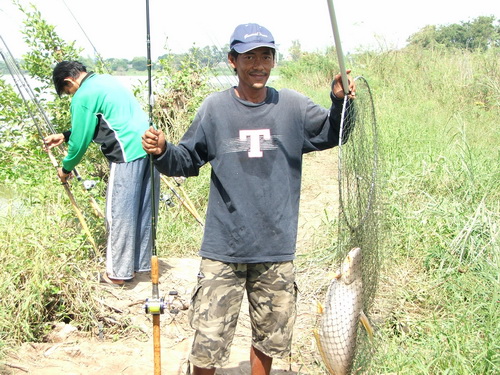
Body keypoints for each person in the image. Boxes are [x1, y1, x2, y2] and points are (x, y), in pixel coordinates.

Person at [142, 23, 355, 375]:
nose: (259, 64)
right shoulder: (214, 108)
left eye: (266, 56)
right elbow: (186, 160)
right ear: (232, 60)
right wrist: (163, 150)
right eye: (249, 56)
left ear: (273, 61)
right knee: (208, 342)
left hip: (275, 247)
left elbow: (336, 132)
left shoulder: (293, 106)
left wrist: (340, 100)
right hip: (223, 247)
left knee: (270, 338)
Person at [45, 61, 160, 286]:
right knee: (144, 210)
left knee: (119, 213)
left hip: (126, 151)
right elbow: (101, 122)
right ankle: (139, 265)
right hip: (151, 146)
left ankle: (117, 274)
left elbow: (80, 142)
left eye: (68, 92)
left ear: (69, 81)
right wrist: (65, 135)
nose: (71, 96)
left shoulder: (83, 96)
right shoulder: (106, 81)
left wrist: (66, 168)